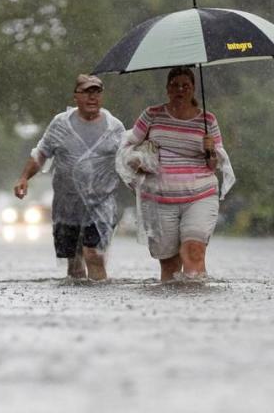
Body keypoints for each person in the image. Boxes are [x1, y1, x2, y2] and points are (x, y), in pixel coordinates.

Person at [117, 66, 235, 281]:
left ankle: (197, 307)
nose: (180, 90)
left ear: (193, 89)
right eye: (175, 85)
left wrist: (210, 150)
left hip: (200, 195)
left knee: (193, 252)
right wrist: (136, 162)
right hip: (159, 198)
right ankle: (173, 311)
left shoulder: (208, 121)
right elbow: (127, 147)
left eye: (185, 86)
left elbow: (213, 164)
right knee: (170, 266)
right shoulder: (152, 115)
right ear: (167, 89)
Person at [14, 74, 125, 280]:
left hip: (101, 204)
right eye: (87, 92)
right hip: (68, 206)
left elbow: (126, 161)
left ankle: (99, 301)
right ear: (76, 96)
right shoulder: (61, 124)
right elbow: (41, 153)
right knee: (74, 264)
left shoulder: (114, 127)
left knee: (93, 254)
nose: (92, 97)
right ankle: (77, 305)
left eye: (97, 92)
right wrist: (24, 178)